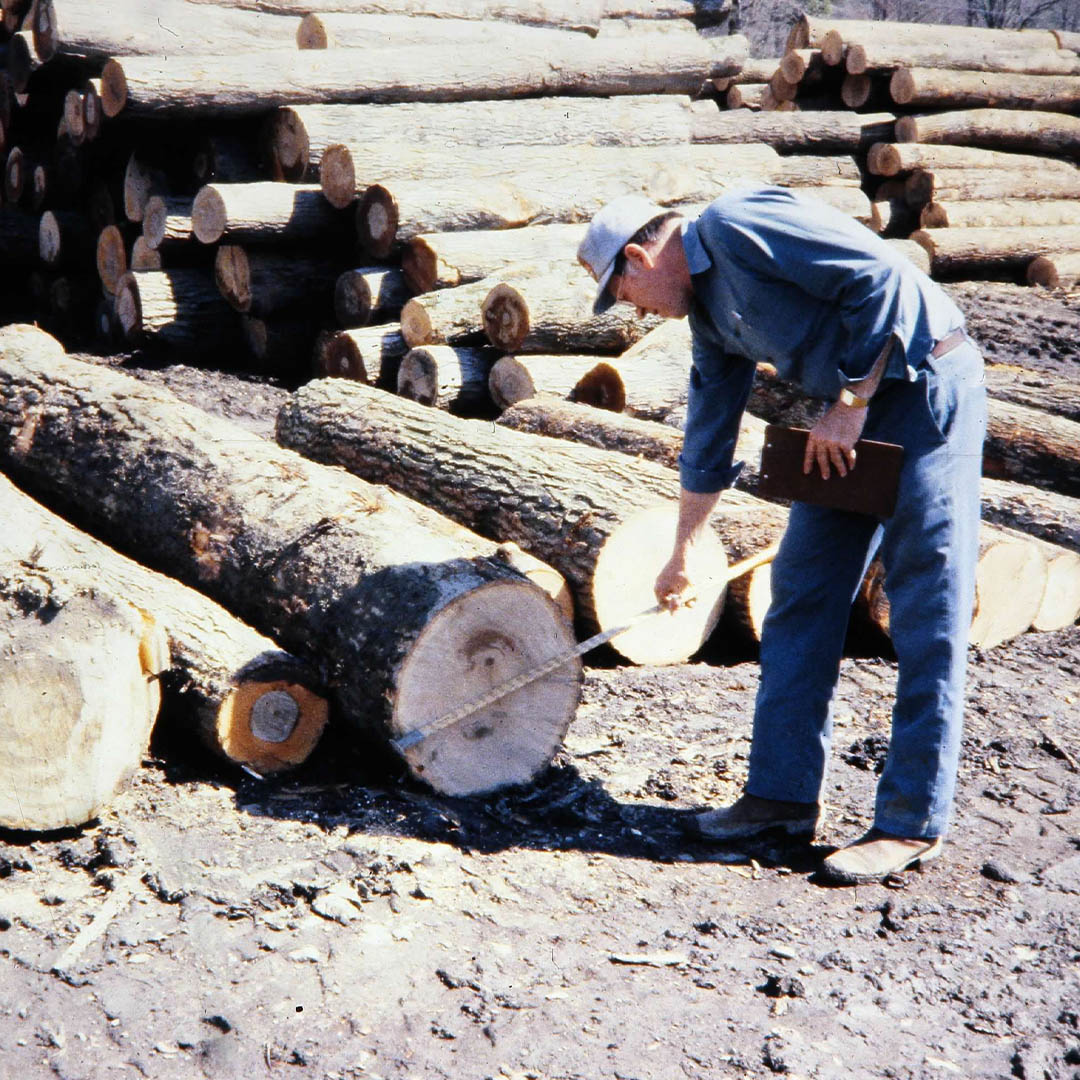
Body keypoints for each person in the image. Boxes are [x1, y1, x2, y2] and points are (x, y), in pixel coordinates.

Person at [576, 187, 987, 885]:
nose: (637, 312)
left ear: (640, 258)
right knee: (800, 592)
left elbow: (879, 280)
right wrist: (683, 549)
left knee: (926, 606)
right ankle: (781, 797)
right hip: (848, 416)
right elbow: (709, 432)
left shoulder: (740, 223)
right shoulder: (708, 318)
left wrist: (850, 404)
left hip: (923, 390)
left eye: (626, 295)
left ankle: (910, 822)